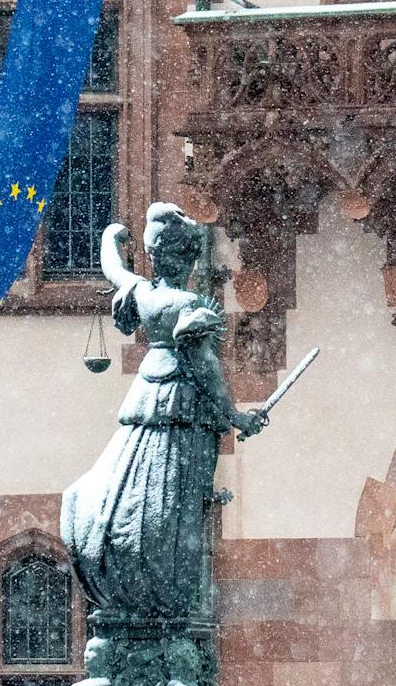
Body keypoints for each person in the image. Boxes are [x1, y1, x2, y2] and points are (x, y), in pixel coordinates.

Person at [62, 204, 267, 619]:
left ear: (153, 254)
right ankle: (163, 575)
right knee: (175, 495)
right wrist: (236, 416)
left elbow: (112, 269)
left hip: (145, 397)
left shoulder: (143, 293)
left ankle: (135, 558)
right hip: (182, 406)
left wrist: (111, 237)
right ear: (190, 258)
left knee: (140, 479)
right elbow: (203, 366)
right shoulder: (189, 304)